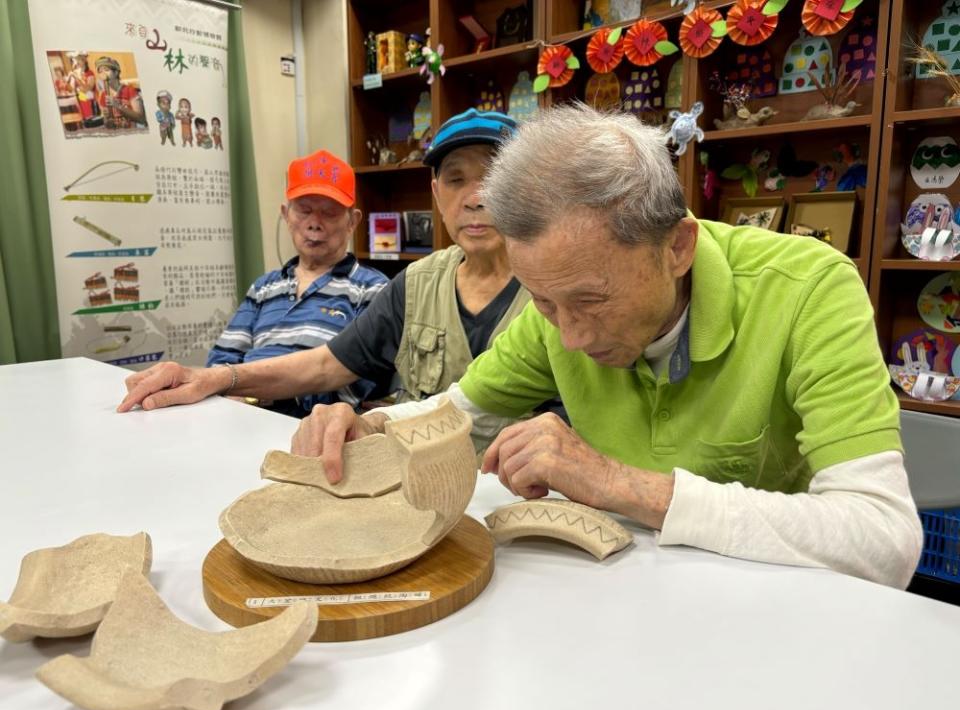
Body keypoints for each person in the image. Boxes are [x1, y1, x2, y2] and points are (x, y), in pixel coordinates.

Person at [285, 104, 924, 590]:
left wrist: (618, 484)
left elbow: (885, 540)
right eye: (541, 301)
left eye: (591, 302)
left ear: (677, 247)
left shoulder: (810, 290)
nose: (570, 337)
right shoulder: (559, 304)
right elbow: (458, 413)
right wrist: (367, 426)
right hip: (622, 600)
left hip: (774, 608)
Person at [117, 110, 530, 423]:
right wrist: (212, 379)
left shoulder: (550, 284)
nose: (476, 198)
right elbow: (328, 363)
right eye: (457, 180)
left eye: (493, 178)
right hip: (424, 481)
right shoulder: (417, 282)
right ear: (436, 194)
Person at [195, 149, 388, 415]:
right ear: (286, 215)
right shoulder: (264, 287)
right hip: (240, 415)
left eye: (330, 213)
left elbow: (361, 379)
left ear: (352, 221)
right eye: (304, 211)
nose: (314, 225)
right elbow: (220, 360)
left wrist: (268, 396)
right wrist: (235, 396)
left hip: (309, 424)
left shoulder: (372, 289)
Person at [94, 56, 146, 129]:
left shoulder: (130, 91)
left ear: (116, 72)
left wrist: (118, 106)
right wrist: (106, 118)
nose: (103, 74)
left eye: (106, 70)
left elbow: (141, 119)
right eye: (100, 71)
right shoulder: (103, 95)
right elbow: (107, 124)